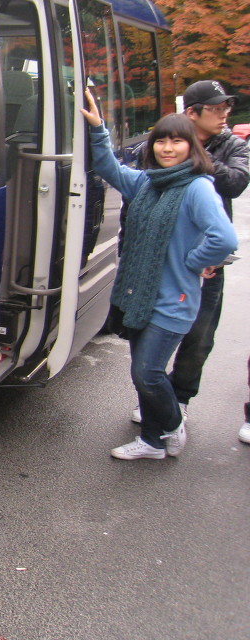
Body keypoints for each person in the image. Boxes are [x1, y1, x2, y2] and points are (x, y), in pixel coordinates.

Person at [81, 88, 238, 460]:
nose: (168, 148)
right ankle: (152, 442)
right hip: (140, 296)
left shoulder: (197, 187)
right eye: (161, 141)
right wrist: (98, 129)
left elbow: (224, 238)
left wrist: (193, 261)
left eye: (177, 141)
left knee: (147, 372)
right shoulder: (148, 183)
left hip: (174, 299)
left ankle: (171, 423)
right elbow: (109, 168)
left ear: (190, 147)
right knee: (142, 373)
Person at [129, 80, 247, 431]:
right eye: (216, 108)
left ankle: (178, 400)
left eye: (226, 107)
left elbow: (236, 183)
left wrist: (194, 156)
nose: (224, 114)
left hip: (205, 261)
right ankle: (155, 402)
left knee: (198, 336)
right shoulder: (163, 142)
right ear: (192, 113)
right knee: (147, 334)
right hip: (156, 259)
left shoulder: (231, 144)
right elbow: (138, 192)